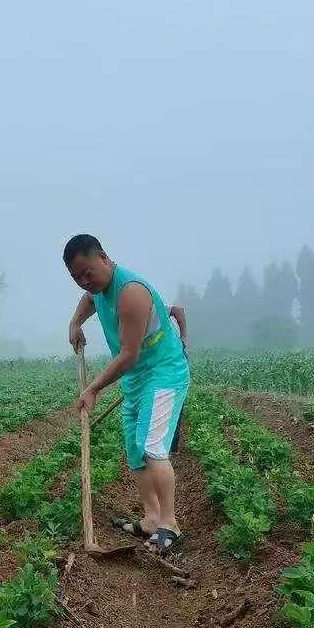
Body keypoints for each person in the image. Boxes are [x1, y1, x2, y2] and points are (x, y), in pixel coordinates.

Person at [64, 233, 190, 556]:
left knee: (152, 447)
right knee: (135, 450)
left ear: (104, 258)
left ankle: (169, 524)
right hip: (136, 379)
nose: (84, 282)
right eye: (76, 277)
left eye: (87, 272)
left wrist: (93, 388)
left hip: (163, 374)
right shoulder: (98, 290)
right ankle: (150, 519)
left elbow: (129, 354)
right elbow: (90, 301)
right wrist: (75, 322)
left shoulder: (131, 293)